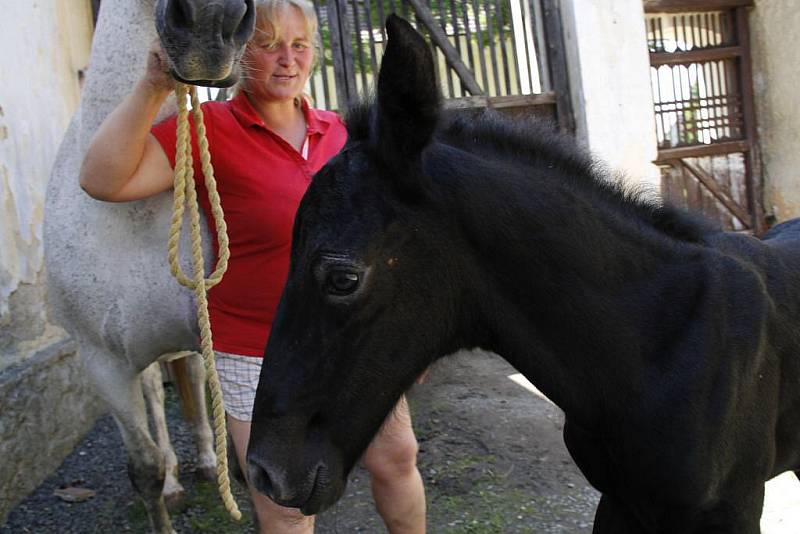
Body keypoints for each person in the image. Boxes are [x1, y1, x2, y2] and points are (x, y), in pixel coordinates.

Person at [78, 1, 426, 532]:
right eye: (268, 46)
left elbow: (388, 239)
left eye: (299, 45)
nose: (287, 60)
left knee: (395, 458)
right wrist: (151, 89)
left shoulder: (342, 133)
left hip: (354, 339)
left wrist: (409, 336)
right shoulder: (207, 129)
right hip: (253, 350)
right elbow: (103, 179)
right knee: (284, 502)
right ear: (239, 52)